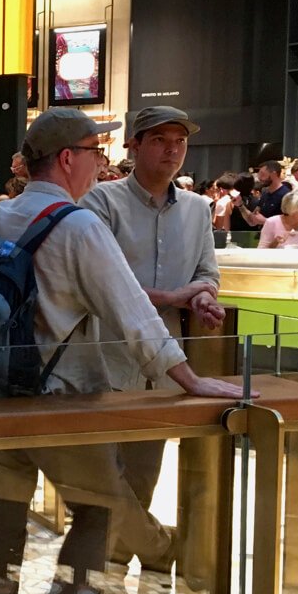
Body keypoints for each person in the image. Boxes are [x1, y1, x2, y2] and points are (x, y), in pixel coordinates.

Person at [0, 109, 245, 594]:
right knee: (100, 508)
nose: (102, 160)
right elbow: (133, 313)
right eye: (95, 149)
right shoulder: (78, 225)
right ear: (68, 158)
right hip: (63, 398)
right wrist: (189, 379)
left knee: (2, 511)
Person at [80, 106, 223, 567]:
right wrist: (173, 294)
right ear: (134, 145)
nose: (172, 149)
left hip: (167, 362)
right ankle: (151, 547)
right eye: (160, 139)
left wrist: (201, 297)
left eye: (179, 141)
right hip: (107, 356)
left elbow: (207, 272)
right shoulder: (100, 203)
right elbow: (99, 281)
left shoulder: (199, 209)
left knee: (144, 469)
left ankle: (120, 555)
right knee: (101, 472)